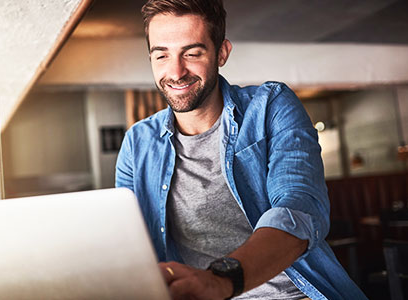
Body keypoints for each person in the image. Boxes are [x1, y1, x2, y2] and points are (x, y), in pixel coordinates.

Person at [115, 0, 368, 299]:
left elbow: (299, 209)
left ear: (221, 53)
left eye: (192, 53)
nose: (176, 71)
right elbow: (130, 243)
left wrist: (219, 282)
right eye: (161, 56)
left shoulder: (271, 107)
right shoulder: (137, 143)